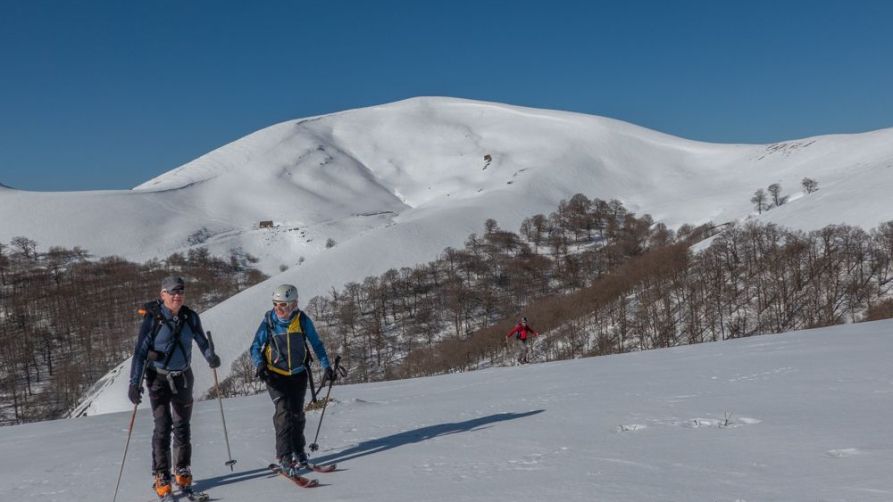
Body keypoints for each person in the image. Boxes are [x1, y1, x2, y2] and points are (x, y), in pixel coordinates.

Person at [128, 276, 221, 500]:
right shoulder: (153, 319)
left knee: (182, 426)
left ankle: (182, 470)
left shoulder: (190, 316)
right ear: (163, 295)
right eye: (172, 291)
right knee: (162, 427)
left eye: (181, 291)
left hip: (183, 378)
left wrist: (211, 356)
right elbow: (140, 353)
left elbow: (201, 340)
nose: (177, 295)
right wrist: (134, 383)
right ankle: (161, 475)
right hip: (158, 380)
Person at [250, 284, 334, 475]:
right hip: (274, 374)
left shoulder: (302, 321)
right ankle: (284, 457)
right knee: (284, 413)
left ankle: (299, 451)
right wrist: (260, 364)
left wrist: (327, 366)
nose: (279, 310)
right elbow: (255, 347)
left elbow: (317, 344)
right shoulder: (269, 322)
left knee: (297, 414)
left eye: (284, 306)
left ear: (294, 304)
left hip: (298, 374)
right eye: (276, 305)